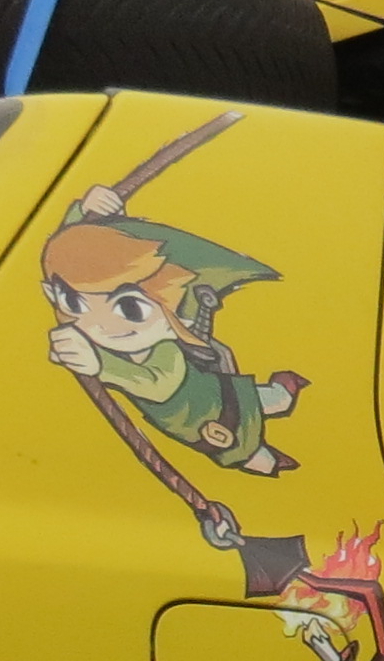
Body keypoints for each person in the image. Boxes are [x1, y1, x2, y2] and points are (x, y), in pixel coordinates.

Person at [41, 182, 307, 476]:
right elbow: (67, 263)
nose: (100, 323)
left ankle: (284, 389)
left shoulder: (166, 350)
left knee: (269, 401)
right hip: (199, 432)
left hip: (222, 401)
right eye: (74, 301)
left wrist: (100, 366)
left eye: (131, 308)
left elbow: (157, 384)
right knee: (255, 459)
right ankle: (269, 456)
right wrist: (83, 212)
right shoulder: (101, 343)